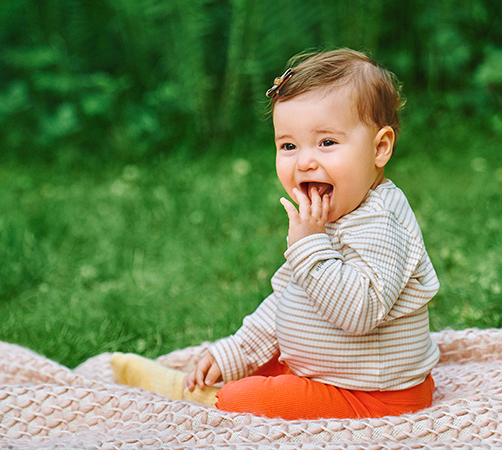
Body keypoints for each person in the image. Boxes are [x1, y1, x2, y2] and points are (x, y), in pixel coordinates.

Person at [111, 48, 440, 420]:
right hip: (327, 374)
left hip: (375, 394)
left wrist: (310, 245)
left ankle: (207, 401)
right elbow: (290, 298)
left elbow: (359, 314)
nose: (305, 161)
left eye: (327, 142)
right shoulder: (327, 216)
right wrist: (234, 351)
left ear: (380, 148)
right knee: (254, 369)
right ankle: (194, 384)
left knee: (247, 398)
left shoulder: (379, 224)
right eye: (288, 146)